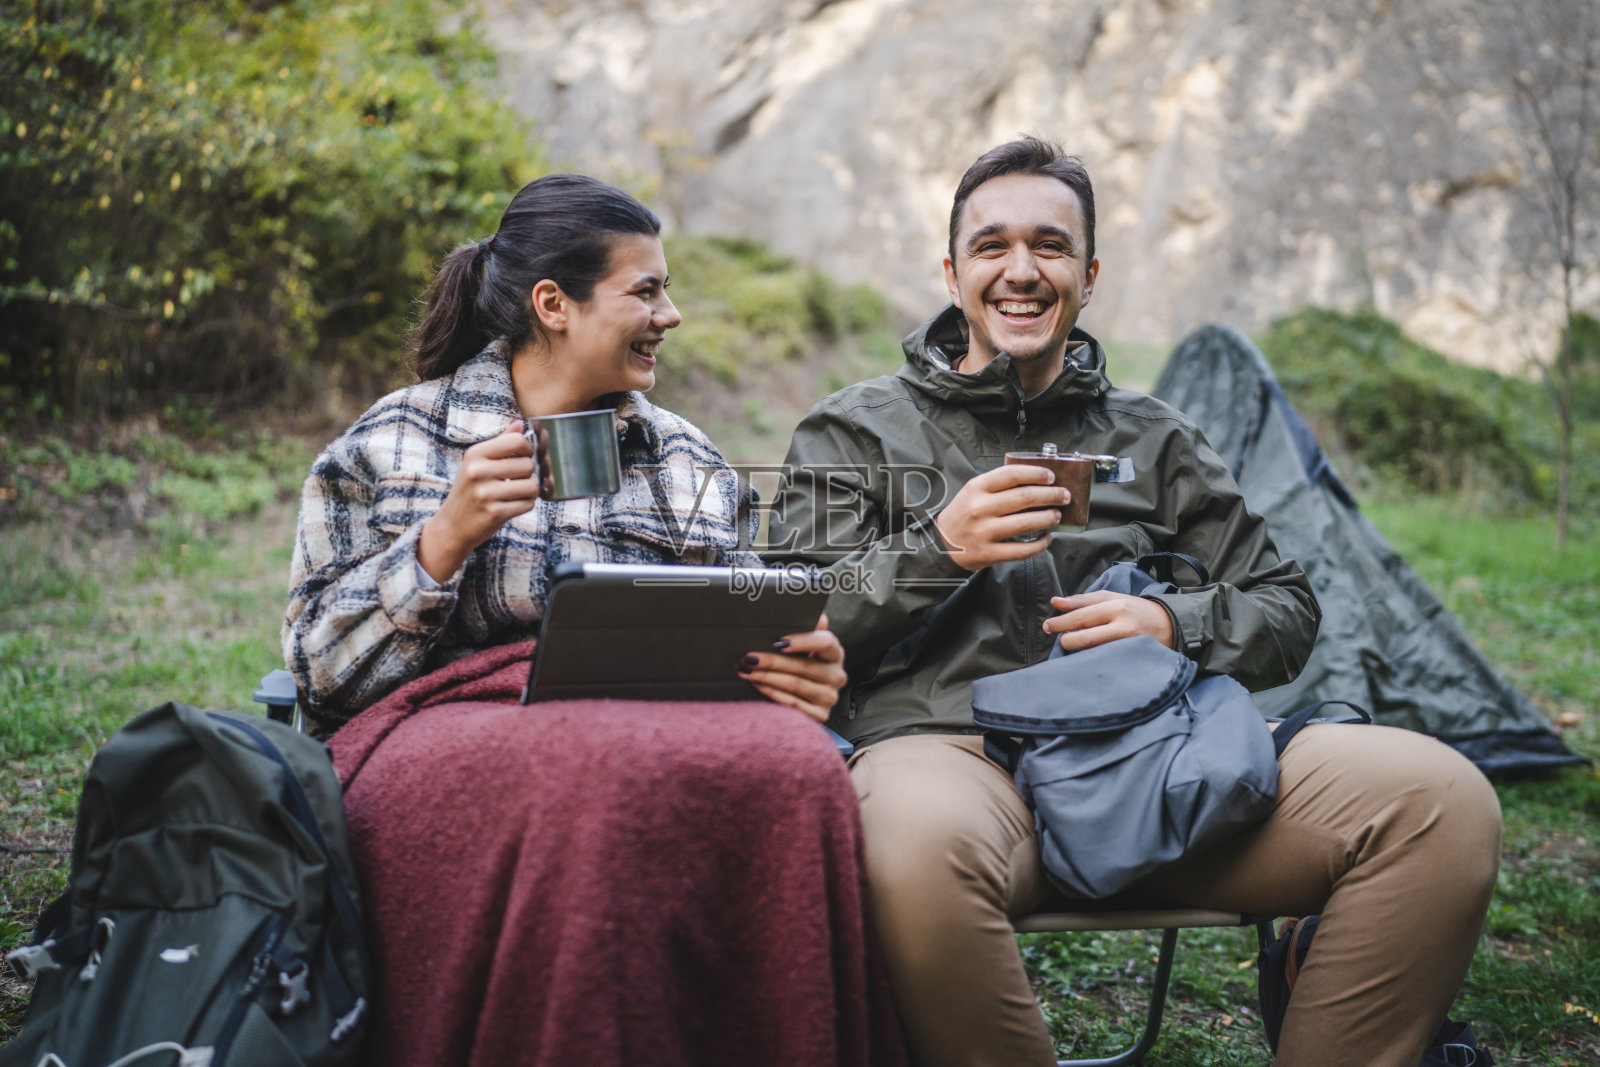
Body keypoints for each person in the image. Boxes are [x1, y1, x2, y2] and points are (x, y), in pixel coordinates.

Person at [765, 137, 1502, 1067]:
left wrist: (1174, 624)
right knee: (905, 843)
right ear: (952, 275)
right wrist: (939, 549)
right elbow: (784, 625)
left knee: (1441, 802)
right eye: (991, 247)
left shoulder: (1155, 437)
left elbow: (1287, 608)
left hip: (1156, 760)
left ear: (1090, 273)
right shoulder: (852, 430)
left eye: (1051, 246)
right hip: (952, 763)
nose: (1022, 271)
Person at [282, 173, 903, 1067]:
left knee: (800, 768)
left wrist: (799, 667)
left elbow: (742, 622)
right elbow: (316, 671)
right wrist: (443, 540)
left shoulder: (689, 458)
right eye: (646, 290)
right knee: (600, 770)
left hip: (650, 723)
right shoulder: (395, 442)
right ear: (554, 304)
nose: (672, 314)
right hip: (443, 731)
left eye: (669, 288)